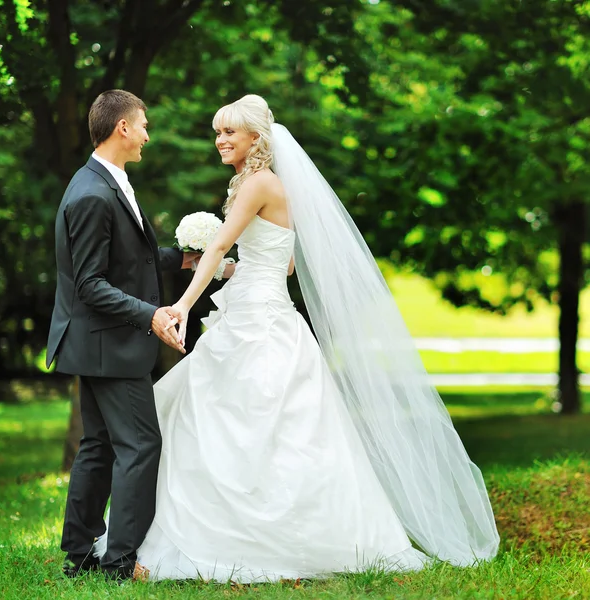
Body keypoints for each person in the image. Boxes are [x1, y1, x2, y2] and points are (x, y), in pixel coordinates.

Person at [98, 94, 500, 582]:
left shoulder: (258, 182)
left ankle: (218, 541)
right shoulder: (266, 183)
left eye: (229, 132)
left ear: (256, 138)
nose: (220, 140)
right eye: (217, 132)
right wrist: (236, 270)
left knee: (227, 422)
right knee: (248, 424)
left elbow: (225, 242)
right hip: (267, 315)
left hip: (255, 325)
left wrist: (181, 305)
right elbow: (283, 262)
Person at [46, 89, 198, 580]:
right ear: (123, 128)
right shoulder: (92, 194)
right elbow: (91, 284)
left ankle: (80, 554)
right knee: (139, 445)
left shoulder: (106, 181)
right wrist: (151, 316)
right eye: (144, 124)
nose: (148, 134)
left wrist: (182, 259)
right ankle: (118, 562)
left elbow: (128, 261)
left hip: (97, 342)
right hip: (107, 343)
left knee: (100, 444)